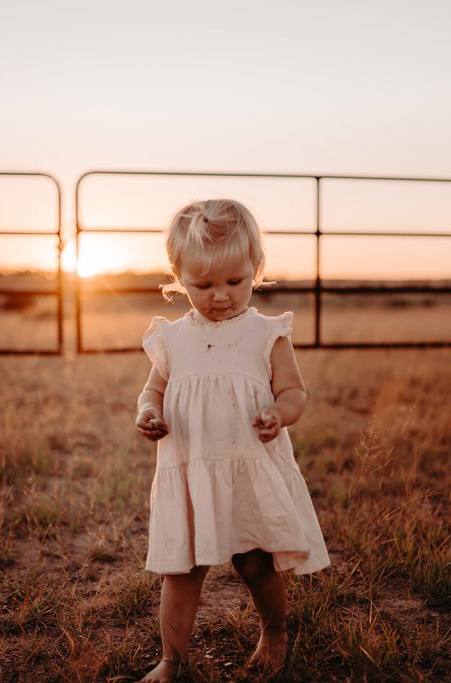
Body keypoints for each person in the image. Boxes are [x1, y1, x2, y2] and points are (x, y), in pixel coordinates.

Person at [134, 198, 330, 682]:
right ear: (179, 276)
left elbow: (294, 392)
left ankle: (275, 632)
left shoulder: (266, 334)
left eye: (233, 282)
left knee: (256, 562)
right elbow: (152, 389)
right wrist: (148, 412)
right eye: (203, 284)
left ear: (255, 270)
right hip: (191, 470)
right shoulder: (172, 339)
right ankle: (170, 660)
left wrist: (277, 413)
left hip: (246, 466)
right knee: (180, 571)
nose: (219, 296)